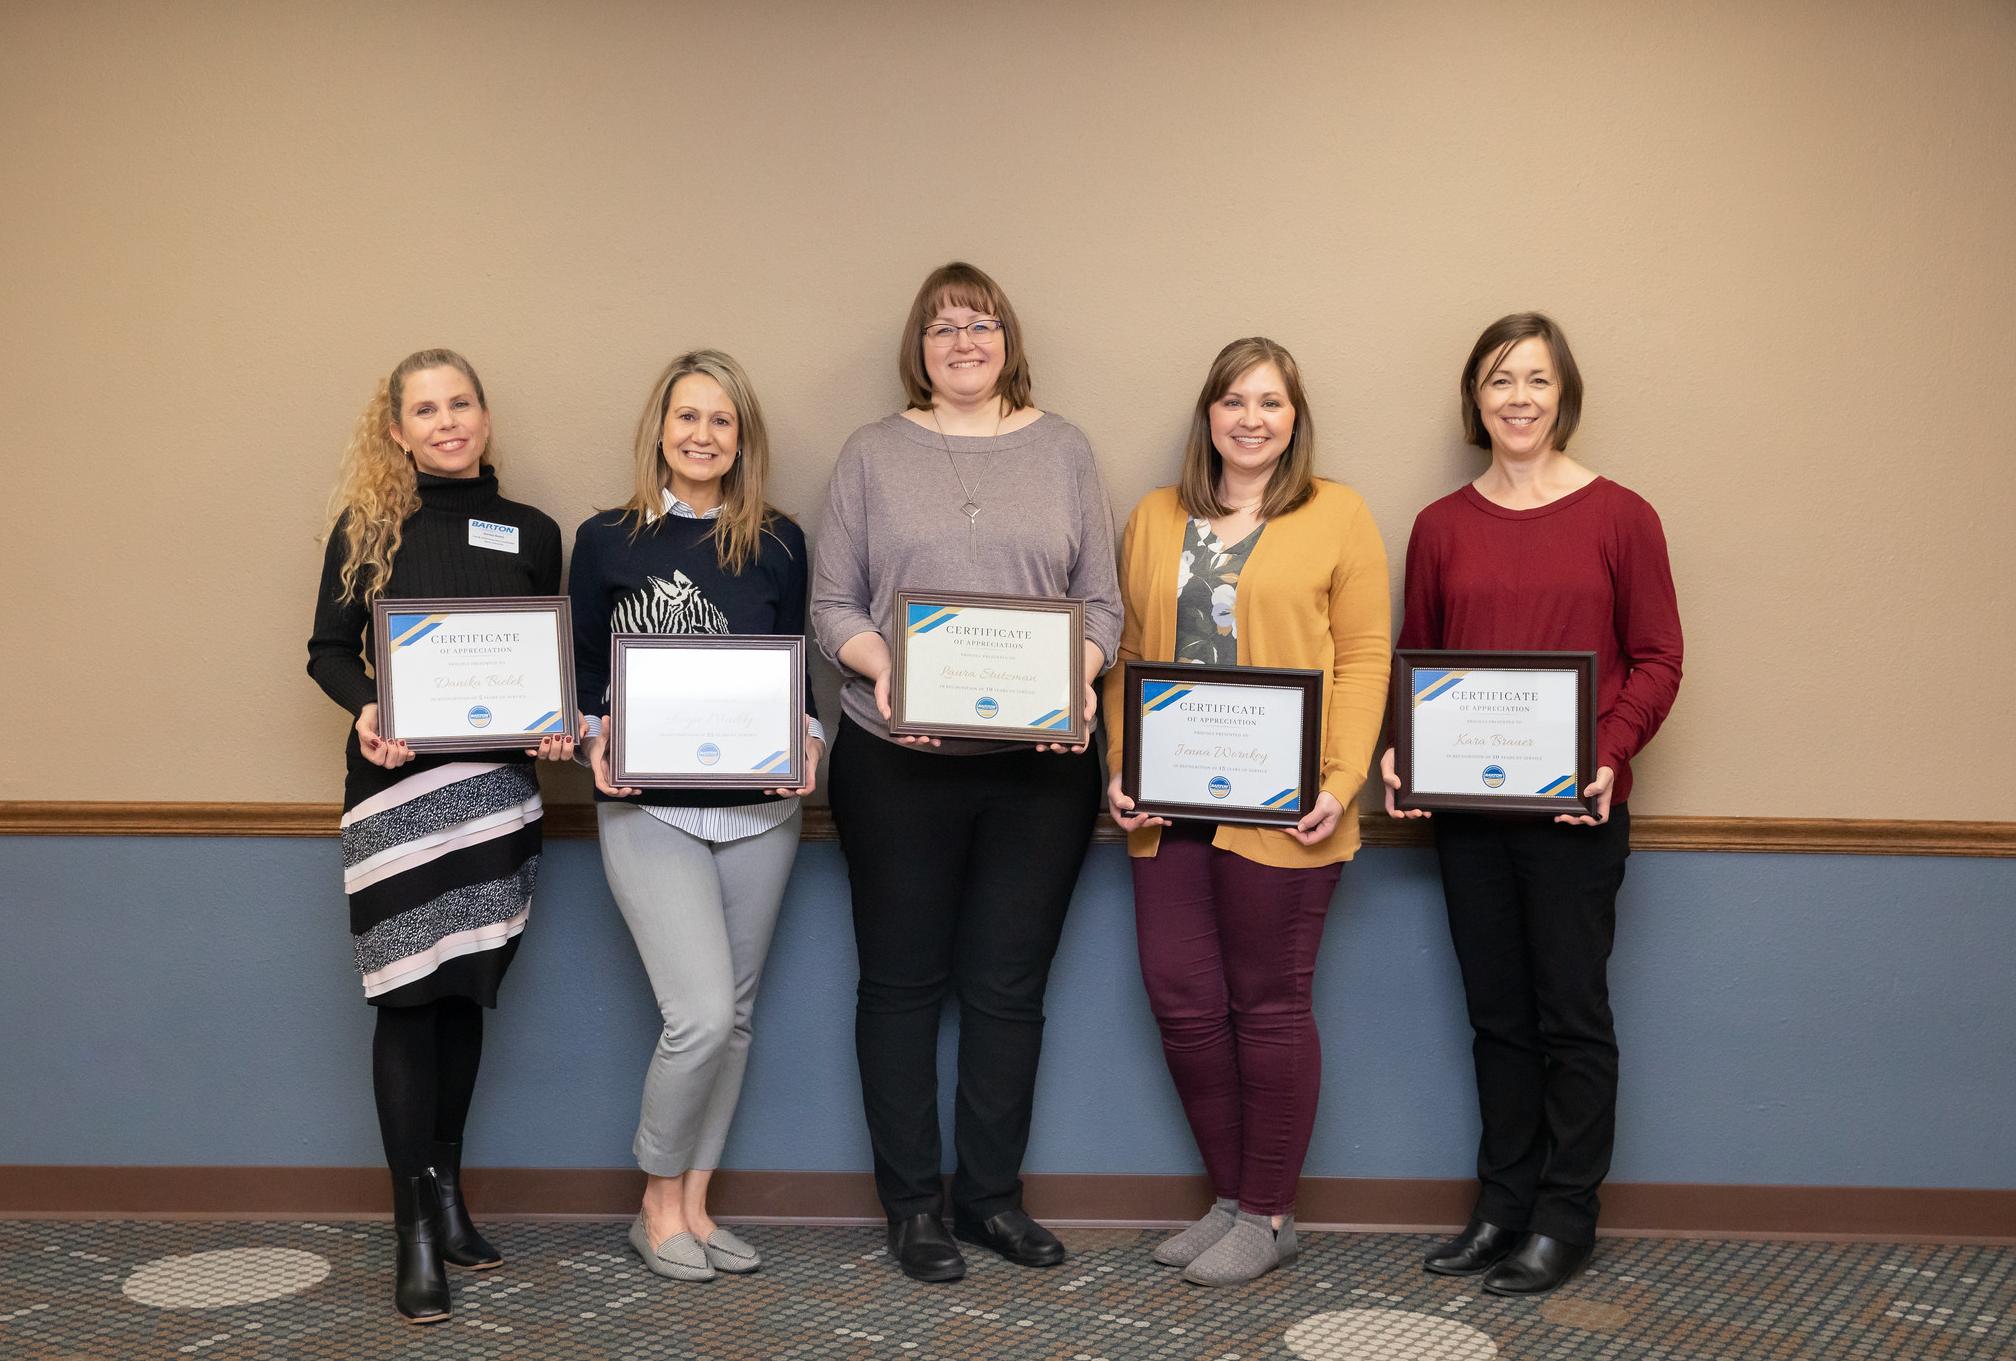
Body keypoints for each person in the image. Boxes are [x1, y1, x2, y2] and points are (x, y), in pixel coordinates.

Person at [811, 261, 1121, 1283]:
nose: (963, 340)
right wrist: (888, 669)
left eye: (980, 323)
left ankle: (990, 1197)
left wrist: (1074, 678)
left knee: (1007, 990)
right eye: (944, 326)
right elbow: (833, 607)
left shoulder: (1066, 448)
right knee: (901, 986)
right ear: (921, 345)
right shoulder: (869, 454)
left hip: (1040, 771)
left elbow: (1103, 607)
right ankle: (913, 1207)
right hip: (895, 760)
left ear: (1007, 339)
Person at [1385, 313, 1683, 1296]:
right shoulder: (1441, 526)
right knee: (1496, 1017)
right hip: (1470, 818)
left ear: (1566, 395)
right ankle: (1502, 1205)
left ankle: (1565, 1214)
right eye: (1499, 379)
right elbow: (1415, 660)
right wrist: (1401, 755)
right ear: (1475, 397)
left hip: (1573, 816)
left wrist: (1606, 753)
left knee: (1570, 1013)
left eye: (1537, 380)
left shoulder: (1622, 515)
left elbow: (1659, 657)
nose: (1518, 397)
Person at [1104, 338, 1391, 1285]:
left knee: (1270, 1006)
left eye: (1271, 402)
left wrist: (1341, 781)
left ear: (1295, 418)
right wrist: (1119, 768)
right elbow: (1131, 660)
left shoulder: (1337, 514)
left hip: (1287, 809)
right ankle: (1232, 1197)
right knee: (1182, 1001)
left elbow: (1363, 660)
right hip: (1168, 808)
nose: (1251, 419)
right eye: (1234, 400)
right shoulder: (1153, 517)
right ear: (1209, 415)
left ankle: (1269, 1212)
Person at [306, 348, 571, 1324]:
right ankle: (412, 1225)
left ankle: (450, 1191)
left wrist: (555, 721)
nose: (448, 420)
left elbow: (553, 661)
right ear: (397, 430)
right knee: (406, 1002)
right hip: (392, 794)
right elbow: (328, 650)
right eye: (426, 408)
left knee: (465, 996)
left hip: (497, 795)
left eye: (461, 402)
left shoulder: (536, 532)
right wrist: (370, 704)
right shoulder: (367, 527)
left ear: (484, 415)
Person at [570, 350, 821, 1283]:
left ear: (742, 437)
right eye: (687, 417)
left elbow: (798, 671)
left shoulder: (782, 542)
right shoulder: (605, 539)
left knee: (739, 1016)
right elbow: (587, 674)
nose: (702, 435)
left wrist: (810, 740)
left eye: (721, 420)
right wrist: (596, 735)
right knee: (702, 1015)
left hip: (762, 810)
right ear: (660, 428)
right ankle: (653, 1199)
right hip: (649, 809)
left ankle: (696, 1204)